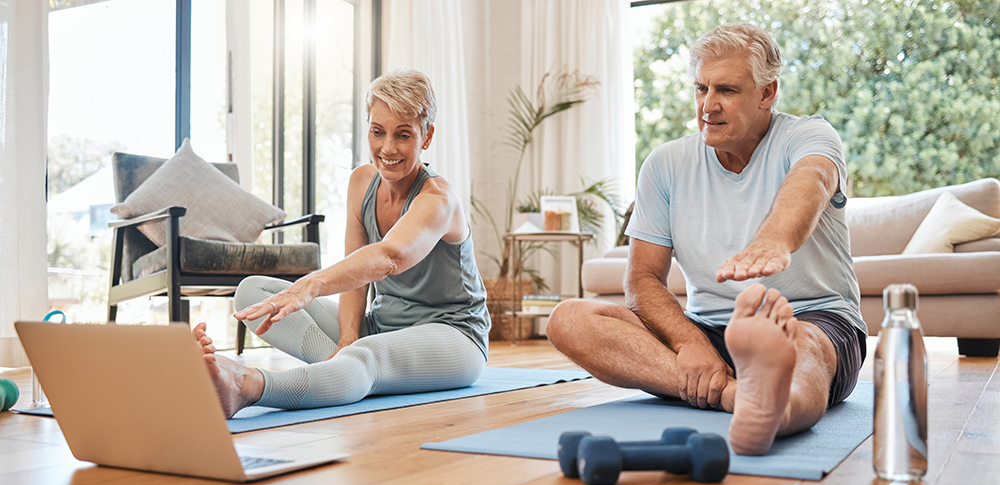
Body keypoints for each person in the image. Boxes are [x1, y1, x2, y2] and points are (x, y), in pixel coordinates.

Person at [546, 23, 866, 456]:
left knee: (803, 346)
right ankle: (740, 396)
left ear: (767, 93)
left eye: (727, 90)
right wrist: (691, 344)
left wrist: (773, 241)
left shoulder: (809, 136)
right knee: (569, 319)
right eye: (701, 88)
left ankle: (776, 408)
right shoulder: (665, 164)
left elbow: (811, 180)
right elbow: (642, 280)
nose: (708, 106)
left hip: (812, 319)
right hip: (709, 330)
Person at [193, 69, 490, 418]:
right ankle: (342, 370)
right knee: (254, 293)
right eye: (377, 132)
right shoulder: (362, 182)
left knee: (366, 357)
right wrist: (348, 336)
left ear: (427, 137)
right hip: (381, 326)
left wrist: (310, 285)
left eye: (403, 135)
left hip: (453, 336)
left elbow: (388, 257)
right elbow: (357, 274)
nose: (387, 148)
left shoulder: (437, 199)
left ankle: (247, 384)